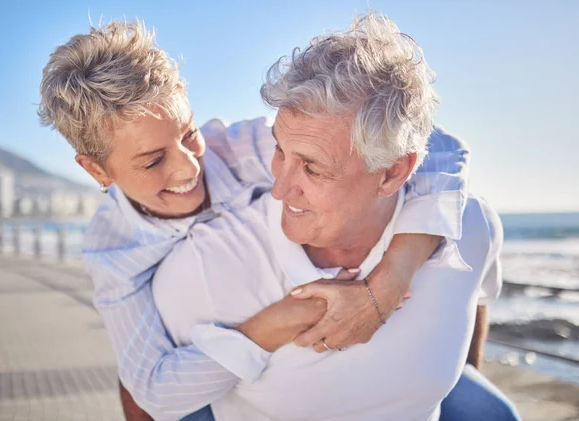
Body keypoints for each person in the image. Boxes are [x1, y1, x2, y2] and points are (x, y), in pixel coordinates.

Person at [38, 15, 519, 421]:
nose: (189, 168)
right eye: (151, 161)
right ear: (96, 169)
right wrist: (277, 323)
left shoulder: (237, 148)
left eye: (187, 134)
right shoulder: (112, 248)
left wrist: (392, 278)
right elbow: (154, 390)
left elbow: (433, 146)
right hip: (221, 371)